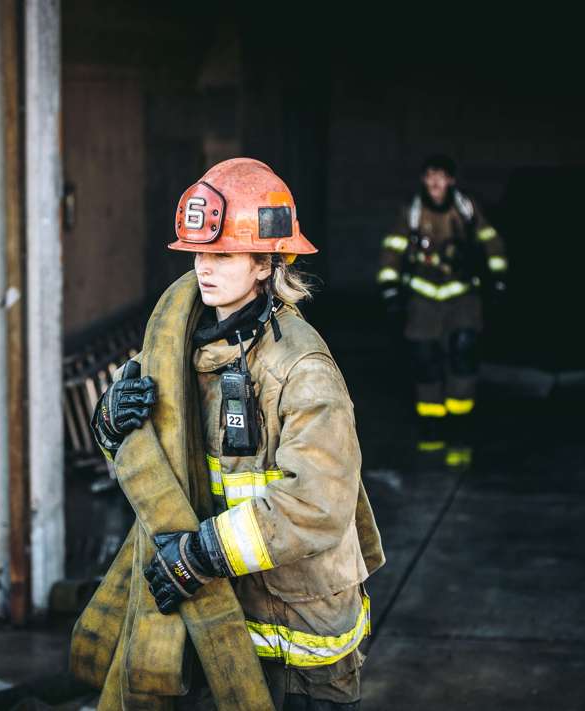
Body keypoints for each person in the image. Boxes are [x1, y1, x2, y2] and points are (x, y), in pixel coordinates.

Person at [91, 158, 384, 710]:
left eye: (222, 253)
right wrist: (112, 425)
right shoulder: (174, 347)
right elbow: (150, 469)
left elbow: (317, 503)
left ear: (265, 263)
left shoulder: (301, 368)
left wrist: (201, 553)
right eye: (199, 252)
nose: (205, 267)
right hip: (221, 622)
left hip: (300, 636)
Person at [376, 154, 507, 465]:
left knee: (463, 358)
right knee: (425, 363)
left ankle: (459, 430)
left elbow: (492, 242)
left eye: (441, 176)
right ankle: (431, 430)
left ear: (451, 180)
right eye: (430, 176)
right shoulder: (412, 213)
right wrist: (390, 289)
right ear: (424, 179)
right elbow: (393, 251)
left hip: (463, 297)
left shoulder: (466, 209)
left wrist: (497, 278)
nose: (435, 182)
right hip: (423, 299)